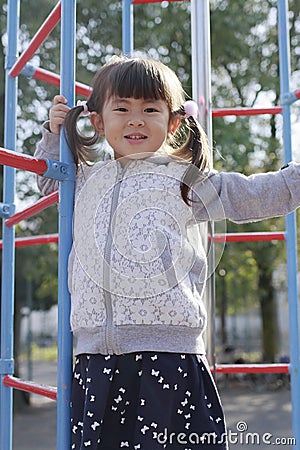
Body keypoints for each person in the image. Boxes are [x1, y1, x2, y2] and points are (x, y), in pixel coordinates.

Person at [34, 55, 300, 450]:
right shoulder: (85, 178)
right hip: (97, 358)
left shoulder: (184, 182)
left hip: (169, 355)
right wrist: (55, 136)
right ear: (98, 121)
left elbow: (252, 196)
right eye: (122, 108)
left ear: (173, 123)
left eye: (150, 110)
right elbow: (47, 182)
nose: (136, 120)